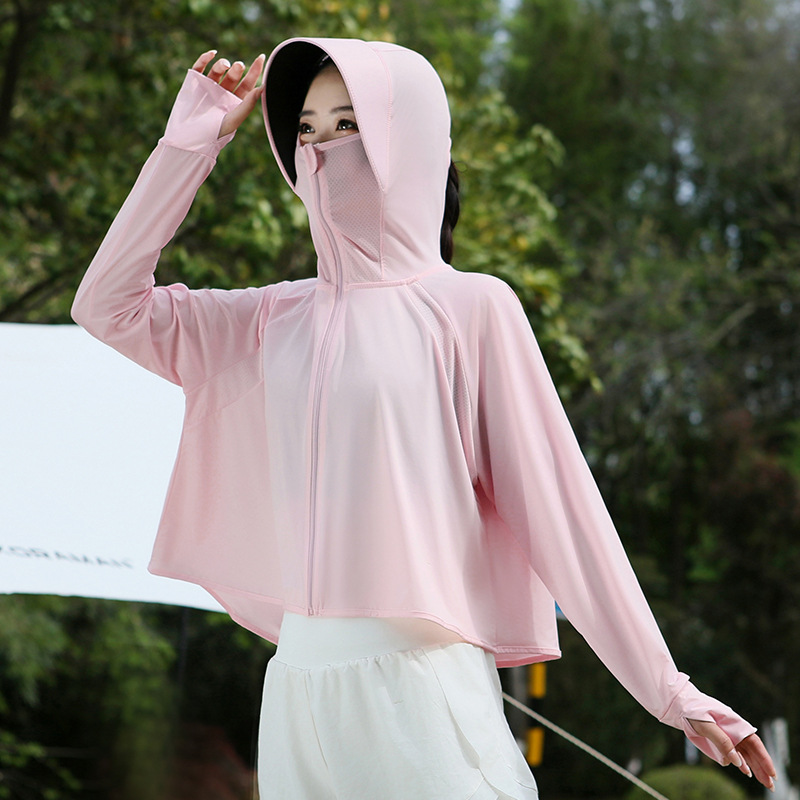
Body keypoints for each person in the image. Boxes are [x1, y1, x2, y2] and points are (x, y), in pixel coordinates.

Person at [71, 37, 777, 799]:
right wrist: (191, 143)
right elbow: (106, 306)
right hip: (297, 689)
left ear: (406, 139)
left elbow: (564, 515)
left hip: (420, 690)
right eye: (305, 129)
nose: (321, 149)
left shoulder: (472, 308)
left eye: (348, 123)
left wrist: (670, 691)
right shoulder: (268, 319)